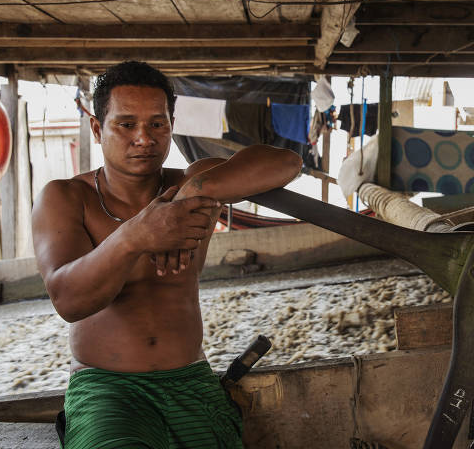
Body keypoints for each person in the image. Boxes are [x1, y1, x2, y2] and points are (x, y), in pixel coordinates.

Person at [32, 61, 302, 448]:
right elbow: (69, 300)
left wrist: (191, 195)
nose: (144, 138)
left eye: (157, 124)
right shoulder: (66, 197)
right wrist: (135, 237)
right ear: (97, 128)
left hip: (191, 378)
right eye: (126, 124)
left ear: (172, 125)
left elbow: (286, 162)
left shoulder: (192, 184)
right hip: (107, 389)